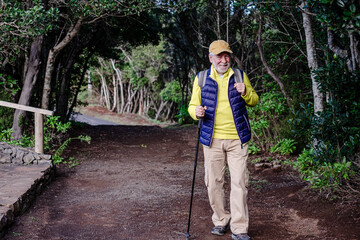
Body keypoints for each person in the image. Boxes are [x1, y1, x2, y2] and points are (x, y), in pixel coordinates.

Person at [188, 40, 259, 240]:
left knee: (239, 182)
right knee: (214, 183)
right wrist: (196, 111)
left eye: (226, 55)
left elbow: (254, 100)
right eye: (219, 56)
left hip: (238, 139)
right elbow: (192, 106)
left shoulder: (239, 76)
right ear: (211, 58)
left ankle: (239, 228)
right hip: (212, 140)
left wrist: (244, 91)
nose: (224, 60)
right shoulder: (201, 78)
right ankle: (221, 220)